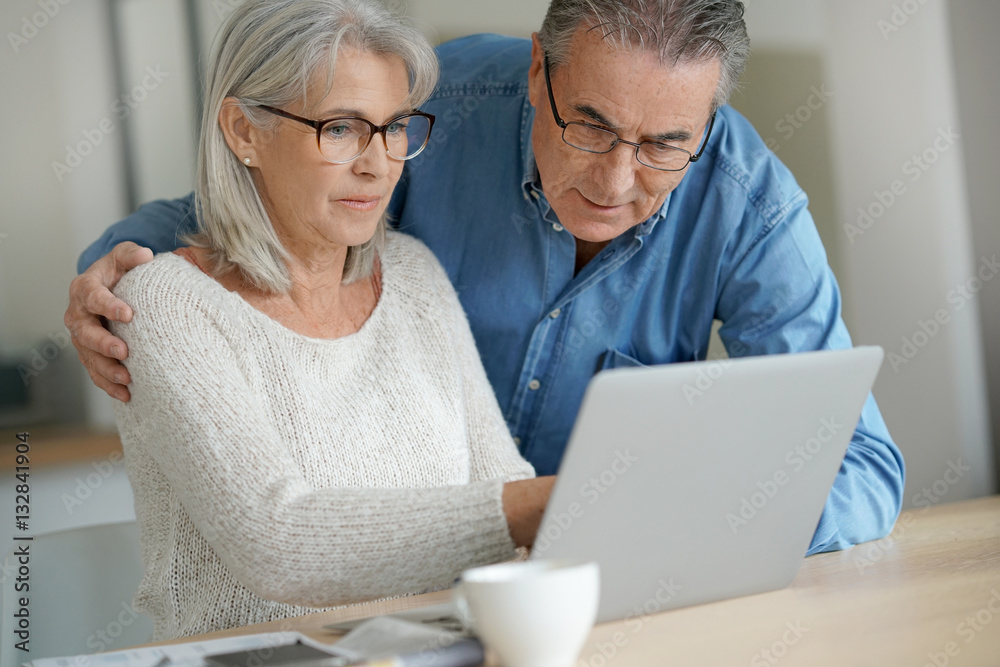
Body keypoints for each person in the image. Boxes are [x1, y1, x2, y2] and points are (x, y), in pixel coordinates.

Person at [68, 0, 904, 556]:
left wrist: (695, 524)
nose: (616, 183)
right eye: (591, 126)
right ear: (540, 72)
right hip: (389, 576)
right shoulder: (440, 107)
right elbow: (263, 197)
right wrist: (115, 272)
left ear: (710, 120)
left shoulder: (748, 201)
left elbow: (860, 465)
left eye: (664, 146)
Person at [103, 0, 553, 641]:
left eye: (395, 126)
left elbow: (502, 490)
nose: (378, 162)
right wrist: (538, 506)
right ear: (243, 131)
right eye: (341, 128)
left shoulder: (415, 276)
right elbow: (278, 545)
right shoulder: (166, 307)